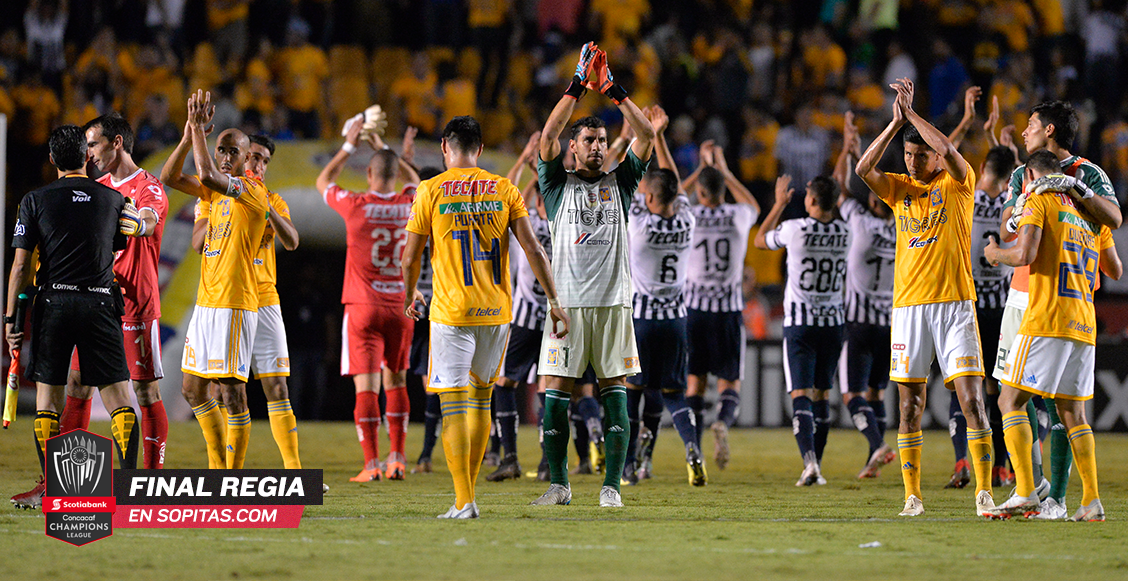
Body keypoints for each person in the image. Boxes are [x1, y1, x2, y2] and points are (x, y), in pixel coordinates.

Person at [401, 115, 568, 519]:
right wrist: (554, 300)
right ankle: (468, 498)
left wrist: (410, 294)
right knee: (480, 404)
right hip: (497, 313)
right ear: (479, 148)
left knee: (454, 406)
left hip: (452, 312)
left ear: (445, 147)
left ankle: (464, 500)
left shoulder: (431, 190)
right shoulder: (504, 188)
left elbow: (409, 257)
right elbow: (533, 250)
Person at [856, 78, 995, 517]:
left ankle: (984, 493)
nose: (913, 161)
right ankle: (912, 497)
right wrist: (895, 124)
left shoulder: (959, 184)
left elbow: (953, 154)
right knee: (910, 408)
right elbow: (863, 169)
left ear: (936, 154)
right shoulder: (900, 188)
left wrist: (914, 114)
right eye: (909, 155)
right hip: (910, 309)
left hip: (955, 305)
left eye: (921, 155)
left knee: (972, 401)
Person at [530, 43, 655, 509]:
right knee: (555, 393)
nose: (598, 147)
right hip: (566, 305)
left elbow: (645, 136)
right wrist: (578, 86)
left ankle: (611, 488)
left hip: (612, 303)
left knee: (614, 393)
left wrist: (613, 89)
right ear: (573, 148)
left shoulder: (620, 183)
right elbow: (546, 137)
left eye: (603, 141)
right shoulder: (556, 186)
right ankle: (560, 484)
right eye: (589, 141)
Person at [994, 100, 1123, 519]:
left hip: (1046, 304)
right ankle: (1086, 499)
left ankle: (1043, 494)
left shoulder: (1086, 176)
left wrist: (997, 250)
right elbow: (1114, 262)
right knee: (1068, 408)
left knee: (1014, 399)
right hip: (1059, 304)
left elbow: (1114, 219)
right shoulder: (1023, 176)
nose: (1024, 131)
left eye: (1031, 124)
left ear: (1048, 130)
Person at [7, 124, 141, 509]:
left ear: (52, 160)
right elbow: (114, 246)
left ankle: (54, 489)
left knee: (49, 403)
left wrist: (11, 318)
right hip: (100, 303)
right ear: (86, 156)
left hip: (55, 304)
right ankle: (130, 489)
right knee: (118, 400)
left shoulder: (34, 200)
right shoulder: (113, 200)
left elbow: (19, 267)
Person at [161, 89, 270, 470]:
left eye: (232, 151)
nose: (225, 157)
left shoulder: (251, 192)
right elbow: (169, 176)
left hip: (235, 305)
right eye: (221, 149)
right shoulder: (212, 194)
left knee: (232, 395)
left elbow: (205, 172)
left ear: (247, 160)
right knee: (192, 390)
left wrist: (200, 136)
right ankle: (218, 468)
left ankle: (232, 477)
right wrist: (188, 131)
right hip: (207, 305)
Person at [55, 113, 169, 472]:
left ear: (116, 142)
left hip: (136, 305)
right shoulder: (99, 189)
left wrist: (137, 223)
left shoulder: (147, 186)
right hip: (97, 303)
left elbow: (149, 218)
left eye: (93, 144)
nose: (87, 153)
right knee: (77, 383)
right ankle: (60, 480)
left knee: (145, 392)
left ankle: (149, 482)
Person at [315, 118, 420, 482]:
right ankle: (398, 458)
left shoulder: (355, 205)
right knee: (397, 383)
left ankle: (371, 464)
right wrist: (395, 152)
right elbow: (420, 184)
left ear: (370, 172)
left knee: (367, 387)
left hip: (362, 308)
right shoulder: (410, 203)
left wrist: (349, 144)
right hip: (401, 305)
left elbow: (323, 182)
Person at [192, 133, 302, 469]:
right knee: (216, 387)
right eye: (254, 157)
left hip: (264, 297)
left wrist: (265, 208)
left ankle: (295, 472)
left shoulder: (271, 199)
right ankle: (220, 468)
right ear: (240, 157)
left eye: (265, 161)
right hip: (226, 297)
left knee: (277, 386)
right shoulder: (216, 195)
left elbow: (292, 240)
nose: (259, 165)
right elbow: (198, 242)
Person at [623, 104, 705, 487]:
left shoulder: (638, 223)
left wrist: (647, 136)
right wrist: (659, 136)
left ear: (651, 199)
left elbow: (640, 181)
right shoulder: (687, 218)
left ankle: (626, 467)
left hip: (641, 321)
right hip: (676, 319)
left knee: (633, 392)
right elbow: (670, 181)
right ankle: (692, 446)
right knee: (674, 394)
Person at [755, 174, 850, 486]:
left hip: (800, 324)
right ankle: (817, 465)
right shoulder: (846, 231)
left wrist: (780, 204)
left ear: (810, 201)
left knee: (801, 393)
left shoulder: (793, 228)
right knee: (822, 393)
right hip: (833, 324)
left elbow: (760, 239)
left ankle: (810, 464)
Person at [682, 142, 761, 470]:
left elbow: (668, 197)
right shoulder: (738, 215)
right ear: (722, 190)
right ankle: (723, 423)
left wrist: (699, 171)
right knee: (730, 384)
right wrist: (726, 171)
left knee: (695, 383)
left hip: (694, 311)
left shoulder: (689, 214)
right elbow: (754, 205)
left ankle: (693, 448)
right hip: (728, 310)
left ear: (700, 192)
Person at [833, 112, 896, 480]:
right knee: (876, 394)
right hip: (889, 324)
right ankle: (876, 454)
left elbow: (841, 188)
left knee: (852, 395)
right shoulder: (905, 224)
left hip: (858, 323)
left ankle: (877, 446)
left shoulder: (858, 219)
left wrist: (849, 151)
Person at [486, 133, 546, 483]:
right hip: (557, 319)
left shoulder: (530, 225)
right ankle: (548, 463)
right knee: (550, 389)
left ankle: (509, 457)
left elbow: (504, 196)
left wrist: (525, 160)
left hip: (524, 318)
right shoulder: (568, 224)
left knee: (505, 383)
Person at [969, 146, 1019, 488]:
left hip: (969, 304)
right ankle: (1004, 466)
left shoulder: (967, 198)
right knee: (1001, 388)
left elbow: (946, 159)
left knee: (971, 388)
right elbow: (1013, 179)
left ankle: (973, 464)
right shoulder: (1011, 204)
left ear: (984, 165)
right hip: (1003, 306)